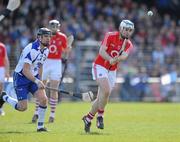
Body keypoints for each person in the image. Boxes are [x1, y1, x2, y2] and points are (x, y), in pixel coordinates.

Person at [82, 20, 135, 133]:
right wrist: (110, 59)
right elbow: (101, 51)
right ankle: (100, 116)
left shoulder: (128, 44)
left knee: (102, 97)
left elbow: (124, 56)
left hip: (112, 71)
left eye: (130, 30)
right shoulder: (110, 36)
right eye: (125, 29)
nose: (127, 32)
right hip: (100, 66)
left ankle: (88, 118)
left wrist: (118, 59)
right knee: (105, 91)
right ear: (121, 28)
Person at [0, 27, 51, 132]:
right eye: (46, 36)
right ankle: (4, 97)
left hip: (34, 77)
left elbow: (40, 66)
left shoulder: (46, 50)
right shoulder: (31, 49)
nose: (48, 39)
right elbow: (25, 70)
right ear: (39, 37)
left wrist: (40, 81)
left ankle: (40, 127)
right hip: (21, 78)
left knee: (44, 99)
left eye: (49, 37)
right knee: (22, 107)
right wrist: (37, 81)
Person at [32, 19, 69, 123]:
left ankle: (52, 114)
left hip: (56, 63)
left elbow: (65, 52)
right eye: (52, 26)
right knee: (40, 87)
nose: (54, 28)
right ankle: (36, 112)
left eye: (56, 26)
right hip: (45, 61)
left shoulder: (62, 37)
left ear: (58, 26)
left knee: (54, 89)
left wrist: (67, 51)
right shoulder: (44, 35)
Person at [0, 42, 10, 116]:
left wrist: (7, 71)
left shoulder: (2, 46)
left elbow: (5, 59)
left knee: (1, 88)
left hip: (1, 68)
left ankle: (0, 108)